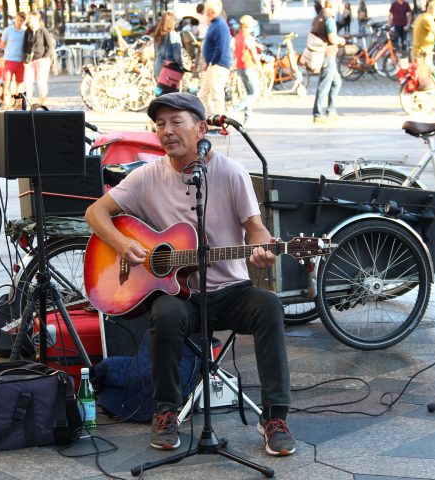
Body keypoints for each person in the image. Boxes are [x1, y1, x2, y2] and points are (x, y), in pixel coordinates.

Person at [84, 91, 295, 456]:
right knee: (164, 313)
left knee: (269, 306)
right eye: (160, 125)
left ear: (201, 128)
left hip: (231, 291)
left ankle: (275, 417)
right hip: (180, 296)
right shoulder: (147, 176)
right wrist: (120, 244)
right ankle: (165, 411)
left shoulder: (231, 173)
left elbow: (255, 228)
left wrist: (263, 247)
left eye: (175, 122)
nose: (166, 131)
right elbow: (95, 213)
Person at [198, 0, 232, 129]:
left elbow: (221, 47)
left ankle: (219, 122)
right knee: (203, 94)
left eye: (208, 11)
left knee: (216, 94)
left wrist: (212, 61)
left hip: (218, 64)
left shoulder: (219, 25)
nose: (207, 13)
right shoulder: (215, 23)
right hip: (213, 64)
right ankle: (211, 119)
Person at [312, 0, 346, 124]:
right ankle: (318, 114)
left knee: (336, 82)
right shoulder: (329, 19)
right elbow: (332, 38)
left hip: (323, 54)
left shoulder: (318, 17)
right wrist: (341, 40)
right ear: (332, 6)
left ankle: (331, 111)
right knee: (324, 85)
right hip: (328, 55)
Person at [232, 15, 262, 126]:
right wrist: (260, 68)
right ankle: (236, 108)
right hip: (248, 67)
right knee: (254, 94)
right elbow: (253, 55)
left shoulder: (238, 36)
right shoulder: (248, 37)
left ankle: (247, 119)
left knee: (249, 93)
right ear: (248, 26)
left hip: (240, 67)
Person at [23, 11, 54, 106]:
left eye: (31, 19)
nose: (29, 21)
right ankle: (28, 104)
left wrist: (44, 58)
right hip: (30, 61)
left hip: (42, 60)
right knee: (27, 83)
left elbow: (50, 47)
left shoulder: (43, 31)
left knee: (41, 83)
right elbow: (24, 46)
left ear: (36, 20)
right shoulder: (27, 31)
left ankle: (42, 103)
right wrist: (25, 59)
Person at [0, 11, 26, 108]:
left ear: (24, 22)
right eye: (18, 20)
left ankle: (18, 104)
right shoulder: (8, 31)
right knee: (7, 83)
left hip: (20, 62)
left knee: (20, 84)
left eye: (21, 21)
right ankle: (6, 103)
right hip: (9, 60)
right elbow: (2, 44)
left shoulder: (25, 32)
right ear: (15, 19)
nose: (19, 22)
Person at [153, 11, 184, 94]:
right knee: (172, 98)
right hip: (170, 71)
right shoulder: (173, 35)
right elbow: (177, 56)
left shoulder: (158, 35)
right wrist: (183, 66)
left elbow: (156, 54)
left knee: (162, 96)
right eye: (174, 20)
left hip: (158, 70)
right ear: (172, 22)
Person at [412, 0, 435, 66]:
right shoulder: (428, 19)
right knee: (425, 75)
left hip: (418, 53)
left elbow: (432, 33)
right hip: (422, 56)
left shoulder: (422, 16)